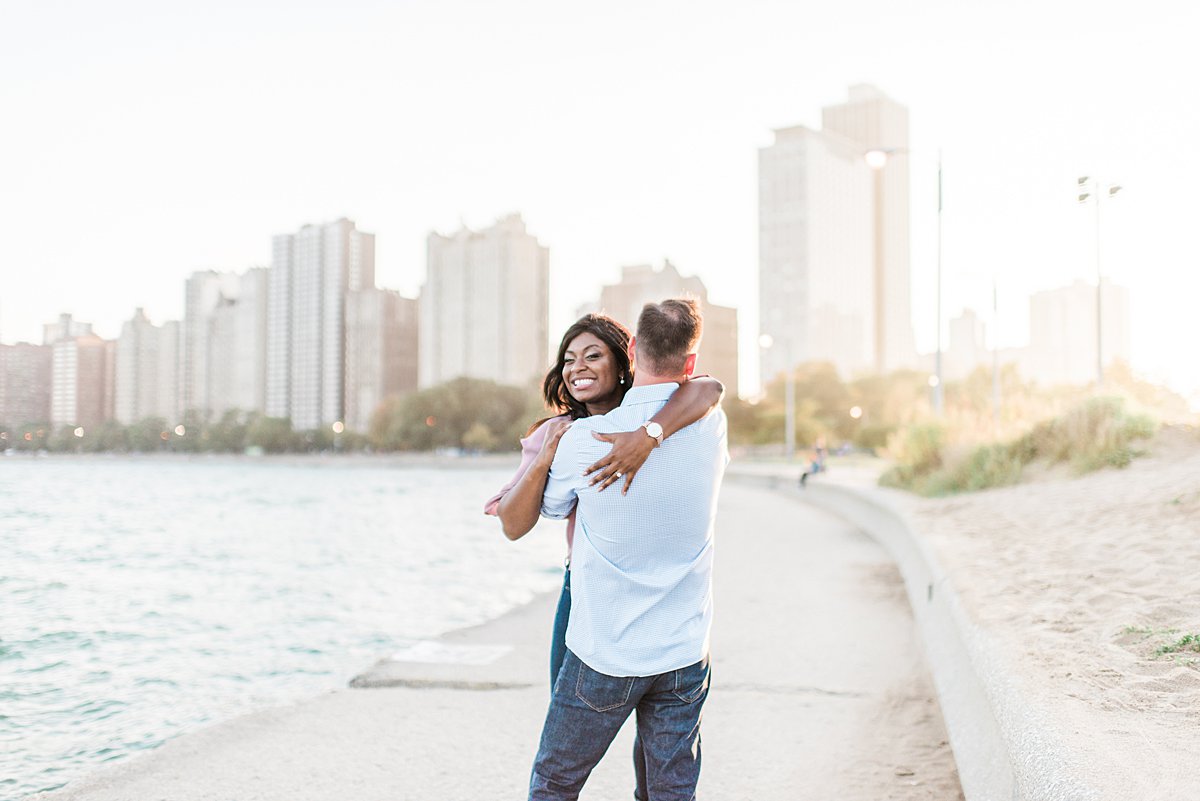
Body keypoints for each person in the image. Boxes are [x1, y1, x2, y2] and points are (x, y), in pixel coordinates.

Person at [529, 299, 729, 801]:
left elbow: (551, 509)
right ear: (691, 357)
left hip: (605, 653)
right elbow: (709, 389)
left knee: (555, 784)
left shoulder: (581, 439)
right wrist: (653, 433)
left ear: (633, 351)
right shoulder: (711, 423)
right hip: (683, 653)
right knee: (670, 792)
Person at [484, 313, 723, 685]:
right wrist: (547, 456)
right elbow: (513, 526)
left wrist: (647, 437)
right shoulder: (555, 434)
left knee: (662, 720)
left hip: (665, 586)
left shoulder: (661, 409)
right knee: (573, 717)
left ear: (624, 360)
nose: (577, 367)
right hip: (587, 590)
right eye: (568, 359)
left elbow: (710, 388)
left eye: (593, 356)